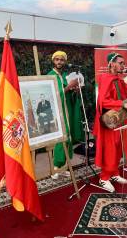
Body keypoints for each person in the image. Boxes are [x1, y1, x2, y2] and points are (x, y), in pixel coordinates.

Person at [93, 52, 127, 192]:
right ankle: (104, 178)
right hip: (109, 121)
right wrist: (121, 103)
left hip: (119, 120)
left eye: (124, 63)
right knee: (110, 150)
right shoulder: (106, 79)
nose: (124, 65)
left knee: (118, 148)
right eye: (121, 63)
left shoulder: (118, 80)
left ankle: (114, 173)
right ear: (112, 64)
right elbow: (103, 102)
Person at [47, 51, 83, 179]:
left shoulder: (66, 76)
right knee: (60, 138)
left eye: (62, 60)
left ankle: (63, 166)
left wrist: (75, 91)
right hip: (57, 113)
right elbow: (50, 96)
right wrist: (68, 88)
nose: (59, 62)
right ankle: (56, 167)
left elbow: (68, 94)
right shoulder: (50, 76)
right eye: (57, 59)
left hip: (67, 110)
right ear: (53, 61)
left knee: (67, 137)